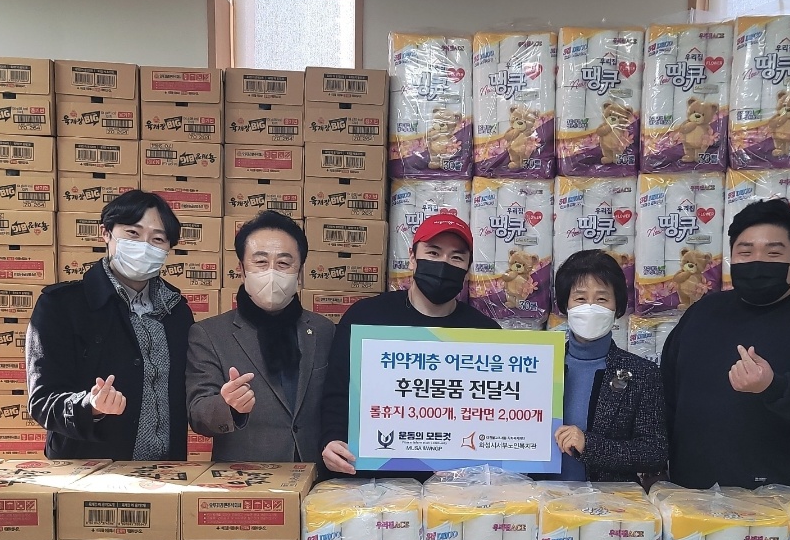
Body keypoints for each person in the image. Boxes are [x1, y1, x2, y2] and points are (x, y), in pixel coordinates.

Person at [659, 197, 790, 491]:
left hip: (787, 502)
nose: (757, 262)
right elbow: (667, 395)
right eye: (745, 252)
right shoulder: (702, 314)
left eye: (773, 253)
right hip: (692, 496)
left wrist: (774, 387)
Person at [320, 211, 498, 476]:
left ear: (467, 268)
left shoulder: (486, 333)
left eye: (456, 258)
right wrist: (332, 440)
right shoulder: (366, 317)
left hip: (456, 484)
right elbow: (337, 393)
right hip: (375, 479)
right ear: (412, 258)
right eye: (433, 253)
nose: (444, 264)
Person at [26, 189, 194, 460]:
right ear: (106, 233)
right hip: (91, 470)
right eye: (133, 233)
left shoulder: (177, 312)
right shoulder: (62, 306)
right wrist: (89, 405)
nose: (144, 246)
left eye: (158, 239)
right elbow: (42, 400)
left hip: (166, 471)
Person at [185, 211, 334, 462]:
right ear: (242, 270)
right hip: (245, 477)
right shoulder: (209, 334)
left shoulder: (323, 330)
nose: (272, 272)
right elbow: (198, 414)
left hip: (315, 473)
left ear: (299, 273)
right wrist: (228, 406)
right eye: (261, 262)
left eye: (284, 263)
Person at [553, 250, 667, 483]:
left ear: (617, 307)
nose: (590, 307)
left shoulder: (642, 374)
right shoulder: (540, 366)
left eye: (602, 299)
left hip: (610, 501)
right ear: (566, 305)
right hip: (543, 497)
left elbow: (654, 452)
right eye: (580, 298)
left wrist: (590, 445)